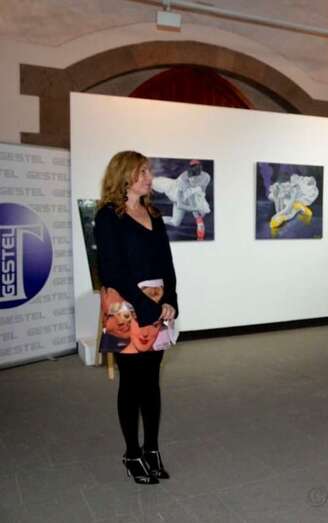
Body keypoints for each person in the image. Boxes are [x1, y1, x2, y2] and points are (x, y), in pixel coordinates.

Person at [94, 151, 178, 485]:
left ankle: (152, 449)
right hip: (124, 308)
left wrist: (170, 300)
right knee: (131, 382)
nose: (149, 177)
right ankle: (132, 453)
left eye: (148, 172)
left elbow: (166, 265)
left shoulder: (153, 214)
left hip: (157, 307)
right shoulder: (107, 217)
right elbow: (112, 270)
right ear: (124, 175)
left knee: (152, 382)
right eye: (142, 172)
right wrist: (148, 307)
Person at [153, 159, 212, 240]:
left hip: (192, 196)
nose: (194, 179)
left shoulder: (206, 177)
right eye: (192, 177)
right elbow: (180, 204)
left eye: (196, 176)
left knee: (175, 222)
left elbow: (202, 192)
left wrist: (199, 207)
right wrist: (195, 209)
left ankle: (155, 220)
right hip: (175, 192)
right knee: (154, 182)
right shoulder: (183, 179)